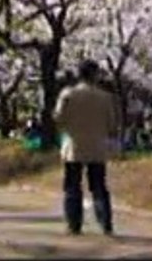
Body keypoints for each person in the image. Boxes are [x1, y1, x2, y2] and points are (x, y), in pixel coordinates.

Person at [53, 59, 120, 236]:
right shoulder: (105, 97)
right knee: (98, 186)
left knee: (72, 186)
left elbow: (59, 118)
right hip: (97, 147)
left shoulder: (68, 94)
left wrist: (68, 130)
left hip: (73, 146)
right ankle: (105, 222)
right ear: (95, 75)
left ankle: (73, 224)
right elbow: (112, 124)